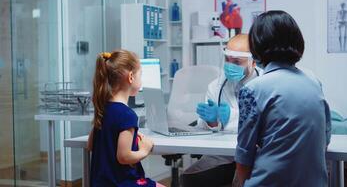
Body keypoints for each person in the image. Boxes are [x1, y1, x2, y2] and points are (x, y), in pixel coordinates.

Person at [235, 10, 331, 186]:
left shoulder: (253, 89)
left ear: (257, 46)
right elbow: (325, 140)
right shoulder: (314, 82)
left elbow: (244, 157)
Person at [181, 34, 261, 187]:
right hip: (222, 154)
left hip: (254, 155)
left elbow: (263, 123)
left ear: (254, 61)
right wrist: (211, 122)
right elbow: (204, 129)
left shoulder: (265, 85)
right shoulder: (216, 86)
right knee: (189, 178)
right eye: (227, 60)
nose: (230, 66)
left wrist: (231, 116)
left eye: (237, 62)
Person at [87, 50, 165, 187]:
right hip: (121, 183)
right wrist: (144, 150)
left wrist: (130, 135)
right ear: (131, 77)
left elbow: (91, 145)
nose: (141, 80)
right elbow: (124, 157)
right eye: (140, 75)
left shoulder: (103, 108)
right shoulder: (127, 115)